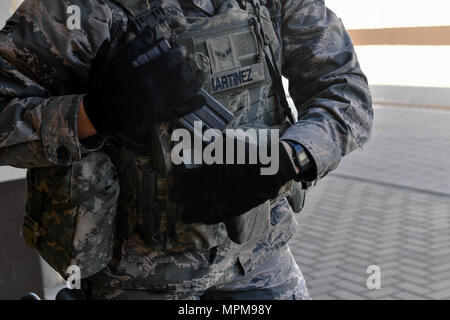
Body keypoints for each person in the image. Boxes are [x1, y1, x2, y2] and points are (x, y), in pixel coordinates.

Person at [0, 0, 373, 300]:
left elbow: (344, 91)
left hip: (257, 262)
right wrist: (93, 113)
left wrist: (289, 158)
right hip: (132, 278)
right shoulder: (74, 10)